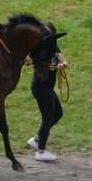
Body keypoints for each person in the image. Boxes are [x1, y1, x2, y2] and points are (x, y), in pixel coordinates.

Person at [26, 22, 68, 162]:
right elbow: (28, 60)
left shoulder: (52, 46)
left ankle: (37, 139)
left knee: (58, 113)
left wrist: (62, 63)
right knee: (47, 118)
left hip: (47, 88)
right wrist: (56, 65)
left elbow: (60, 56)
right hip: (41, 87)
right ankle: (41, 151)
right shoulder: (37, 50)